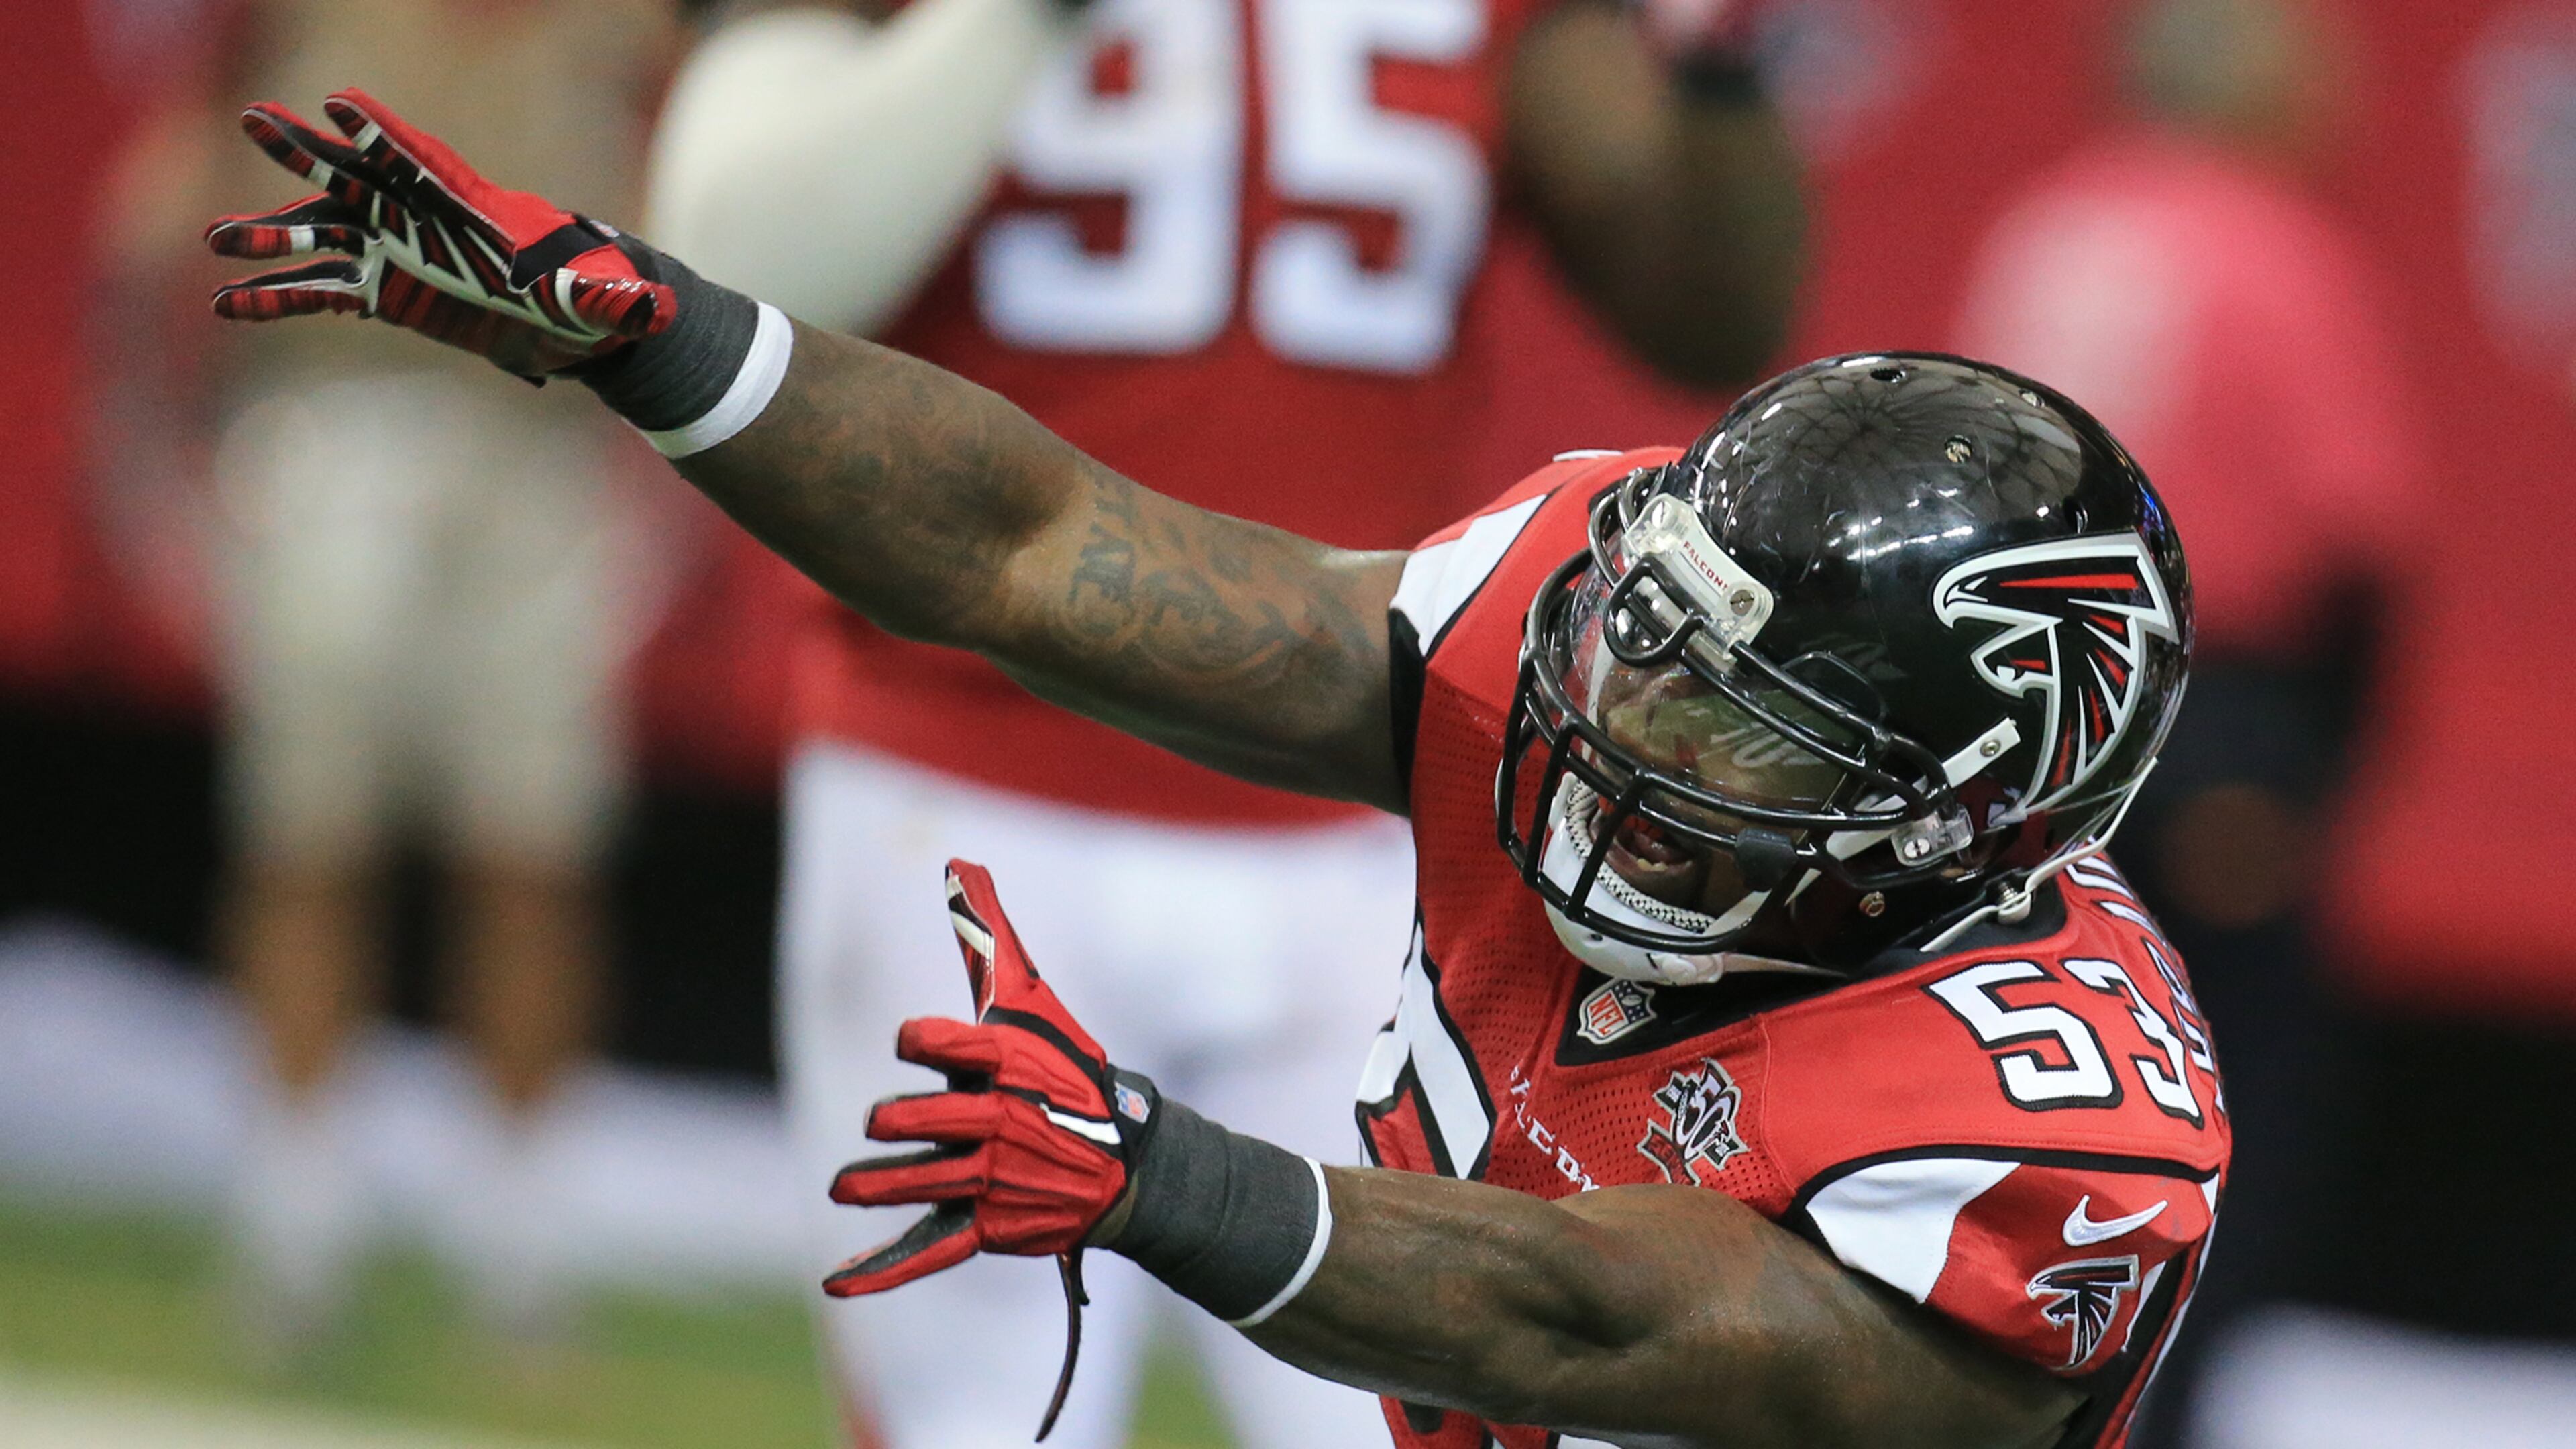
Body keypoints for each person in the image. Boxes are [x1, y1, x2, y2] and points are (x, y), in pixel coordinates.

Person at [199, 93, 2226, 1448]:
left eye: (1736, 724)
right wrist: (669, 346)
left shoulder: (2050, 1117)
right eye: (1654, 644)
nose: (1620, 724)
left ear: (1968, 808)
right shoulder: (1566, 643)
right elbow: (1046, 554)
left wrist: (1170, 1181)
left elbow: (1594, 1322)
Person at [640, 0, 1802, 1442]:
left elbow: (1706, 309)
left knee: (1405, 1417)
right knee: (982, 1418)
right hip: (965, 779)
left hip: (1366, 825)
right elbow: (731, 275)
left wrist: (1715, 57)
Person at [1948, 3, 2416, 1439]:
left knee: (2025, 1094)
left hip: (2021, 724)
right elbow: (2355, 546)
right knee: (2218, 1127)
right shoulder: (2269, 246)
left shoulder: (2053, 224)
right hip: (2207, 732)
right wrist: (2300, 783)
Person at [184, 0, 676, 1346]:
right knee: (307, 833)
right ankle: (291, 1219)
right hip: (330, 413)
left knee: (535, 849)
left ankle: (520, 1238)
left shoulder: (622, 27)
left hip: (544, 444)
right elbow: (184, 169)